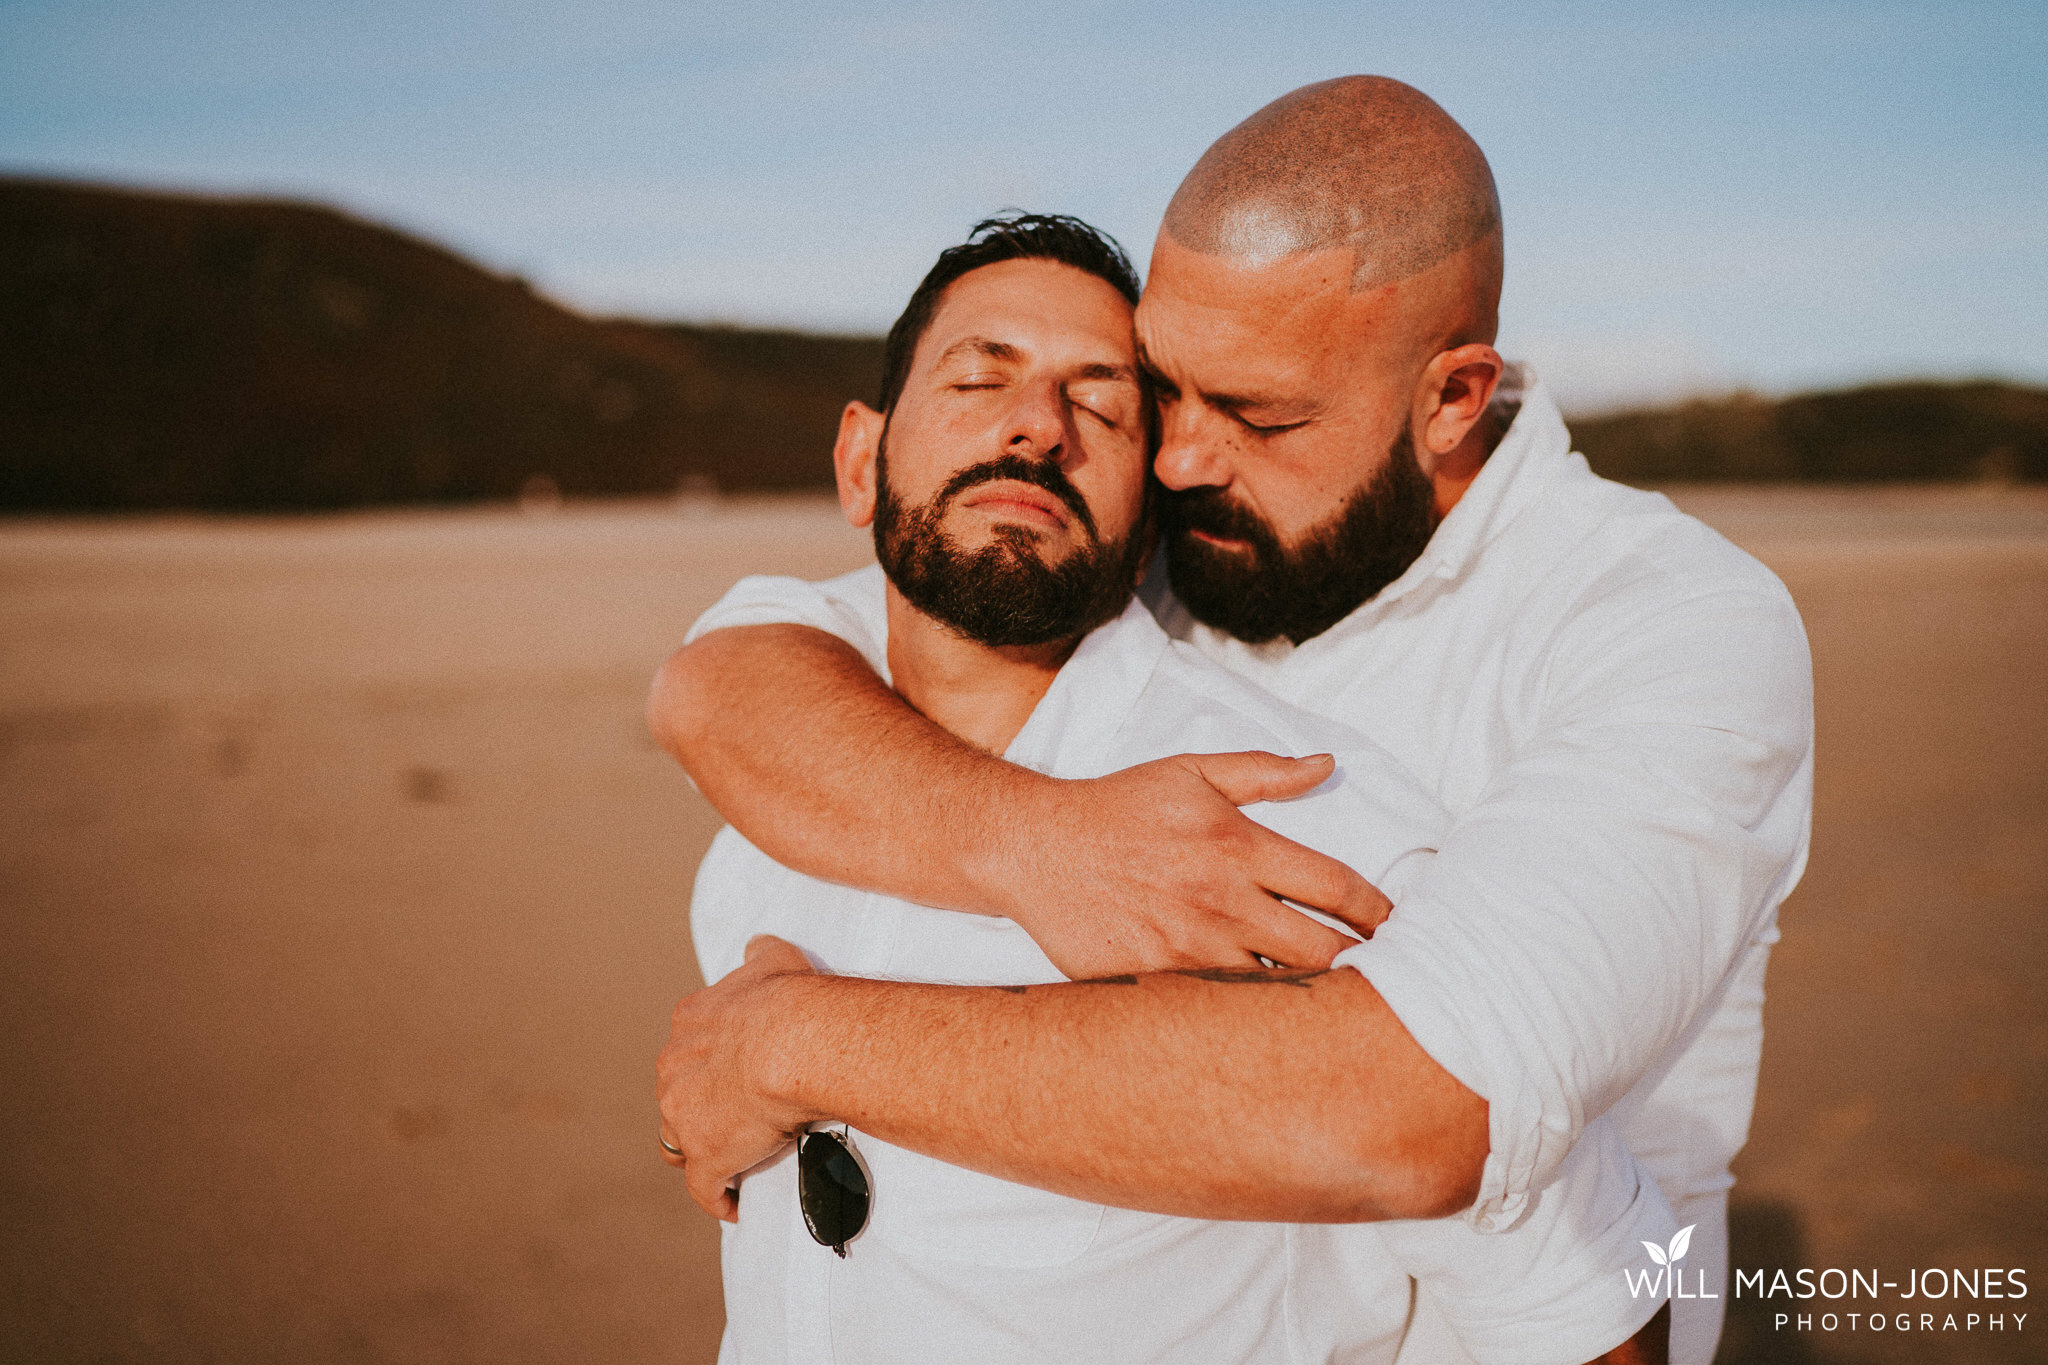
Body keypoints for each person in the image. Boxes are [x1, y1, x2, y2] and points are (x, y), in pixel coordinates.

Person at [655, 77, 1812, 1365]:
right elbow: (732, 677)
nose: (1177, 458)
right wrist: (1035, 842)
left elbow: (1415, 1111)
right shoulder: (1158, 541)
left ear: (1450, 398)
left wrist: (792, 1040)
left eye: (1258, 414)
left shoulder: (1665, 625)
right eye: (1165, 392)